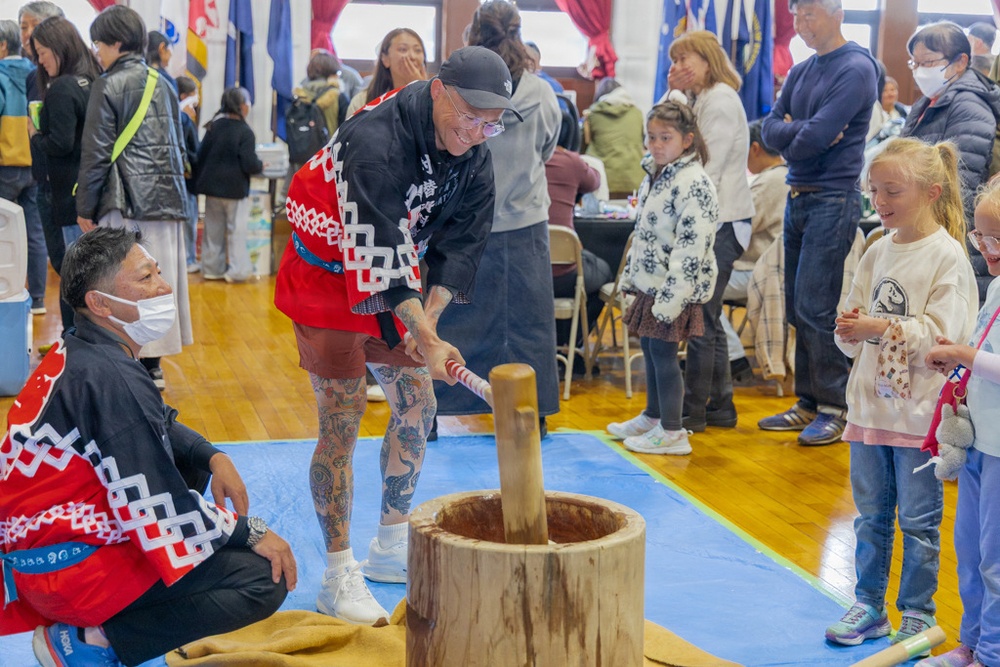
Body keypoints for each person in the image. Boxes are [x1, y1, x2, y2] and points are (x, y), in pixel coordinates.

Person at [274, 46, 512, 624]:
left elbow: (461, 246)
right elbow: (375, 246)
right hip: (327, 272)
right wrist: (424, 336)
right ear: (439, 90)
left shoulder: (476, 149)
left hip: (396, 268)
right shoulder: (375, 140)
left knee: (417, 403)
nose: (476, 134)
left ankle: (389, 541)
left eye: (490, 123)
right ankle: (338, 573)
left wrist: (428, 324)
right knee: (343, 416)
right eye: (470, 117)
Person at [0, 227, 296, 667]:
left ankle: (100, 622)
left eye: (157, 272)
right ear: (100, 303)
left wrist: (212, 455)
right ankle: (91, 641)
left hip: (33, 557)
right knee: (263, 578)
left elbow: (154, 422)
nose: (164, 286)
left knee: (189, 465)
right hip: (62, 572)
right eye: (145, 277)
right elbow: (157, 502)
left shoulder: (80, 349)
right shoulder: (112, 375)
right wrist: (249, 531)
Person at [827, 137, 977, 651]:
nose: (880, 201)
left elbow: (944, 339)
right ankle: (869, 605)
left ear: (931, 192)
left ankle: (917, 612)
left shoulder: (947, 256)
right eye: (874, 190)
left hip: (919, 415)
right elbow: (851, 322)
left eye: (892, 190)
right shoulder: (876, 248)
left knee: (918, 521)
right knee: (869, 516)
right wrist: (850, 329)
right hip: (870, 408)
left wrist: (878, 327)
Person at [434, 0, 562, 435]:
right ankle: (531, 416)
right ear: (519, 33)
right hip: (524, 223)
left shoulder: (460, 92)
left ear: (473, 35)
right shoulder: (542, 93)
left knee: (452, 320)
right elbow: (548, 148)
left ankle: (434, 411)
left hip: (464, 223)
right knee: (528, 329)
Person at [760, 0, 878, 446]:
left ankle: (835, 406)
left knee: (816, 305)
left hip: (833, 196)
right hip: (798, 194)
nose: (800, 23)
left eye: (809, 13)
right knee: (796, 306)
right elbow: (769, 129)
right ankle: (808, 401)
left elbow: (809, 138)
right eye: (795, 15)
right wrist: (801, 133)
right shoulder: (801, 70)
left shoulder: (856, 67)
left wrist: (797, 133)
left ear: (837, 13)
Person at [76, 6, 192, 392]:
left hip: (124, 201)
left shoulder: (107, 85)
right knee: (158, 283)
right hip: (167, 200)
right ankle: (154, 366)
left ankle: (129, 363)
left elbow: (96, 153)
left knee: (124, 284)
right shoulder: (166, 83)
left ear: (116, 43)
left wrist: (84, 207)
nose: (97, 52)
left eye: (98, 43)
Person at [606, 101, 718, 455]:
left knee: (665, 356)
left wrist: (671, 300)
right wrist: (631, 278)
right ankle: (653, 416)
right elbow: (643, 234)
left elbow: (691, 247)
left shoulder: (694, 183)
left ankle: (672, 431)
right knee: (651, 350)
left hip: (674, 289)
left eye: (665, 137)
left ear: (687, 140)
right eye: (651, 137)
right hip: (651, 283)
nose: (656, 145)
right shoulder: (657, 174)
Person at [919, 178, 1000, 667]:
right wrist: (958, 356)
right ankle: (971, 644)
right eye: (980, 237)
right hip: (979, 441)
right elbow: (983, 351)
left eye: (997, 239)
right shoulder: (997, 286)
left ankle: (992, 654)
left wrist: (966, 355)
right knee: (969, 551)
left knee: (996, 559)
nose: (986, 249)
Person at [665, 30, 756, 431]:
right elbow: (666, 134)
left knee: (700, 316)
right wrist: (674, 93)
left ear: (707, 60)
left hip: (721, 220)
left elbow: (706, 166)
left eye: (686, 58)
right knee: (708, 316)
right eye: (675, 60)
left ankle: (694, 410)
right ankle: (720, 406)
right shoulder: (700, 98)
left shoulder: (719, 99)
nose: (679, 66)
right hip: (715, 219)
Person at [901, 21, 1000, 302]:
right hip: (925, 223)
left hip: (954, 231)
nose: (920, 70)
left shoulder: (969, 104)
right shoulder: (928, 102)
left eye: (928, 62)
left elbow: (961, 183)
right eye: (915, 63)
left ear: (960, 62)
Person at [26, 16, 100, 334]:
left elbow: (60, 143)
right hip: (87, 188)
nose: (40, 61)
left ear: (59, 47)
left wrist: (34, 135)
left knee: (71, 273)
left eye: (42, 52)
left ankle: (73, 341)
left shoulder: (63, 87)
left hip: (65, 191)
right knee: (84, 272)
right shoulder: (92, 79)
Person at [722, 119, 788, 382]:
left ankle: (731, 357)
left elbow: (742, 224)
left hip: (760, 272)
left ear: (755, 148)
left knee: (699, 288)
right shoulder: (786, 175)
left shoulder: (772, 181)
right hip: (770, 269)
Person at [545, 102, 610, 360]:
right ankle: (574, 342)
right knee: (604, 272)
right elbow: (595, 181)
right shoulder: (572, 162)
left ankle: (555, 341)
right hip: (565, 274)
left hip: (529, 270)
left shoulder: (528, 160)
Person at [19, 1, 64, 318]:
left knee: (71, 261)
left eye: (32, 26)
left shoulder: (70, 76)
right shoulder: (30, 76)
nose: (26, 34)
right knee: (55, 255)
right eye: (23, 27)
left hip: (66, 182)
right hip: (39, 174)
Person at [0, 19, 47, 315]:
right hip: (34, 164)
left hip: (5, 166)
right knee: (34, 232)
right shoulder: (36, 72)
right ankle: (39, 298)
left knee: (2, 230)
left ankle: (5, 292)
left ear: (3, 45)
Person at [195, 87, 263, 283]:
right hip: (235, 190)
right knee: (236, 231)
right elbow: (249, 164)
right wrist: (260, 165)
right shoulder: (245, 131)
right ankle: (237, 271)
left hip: (212, 190)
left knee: (212, 231)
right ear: (242, 106)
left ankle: (211, 269)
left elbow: (201, 155)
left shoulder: (214, 126)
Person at [583, 77, 646, 197]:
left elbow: (582, 145)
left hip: (603, 182)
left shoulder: (592, 114)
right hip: (634, 182)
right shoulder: (637, 113)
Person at [345, 28, 428, 116]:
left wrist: (421, 90)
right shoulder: (362, 100)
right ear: (385, 59)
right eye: (403, 49)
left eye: (418, 50)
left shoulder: (434, 97)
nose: (412, 56)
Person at [177, 75, 200, 274]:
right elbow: (187, 148)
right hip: (185, 179)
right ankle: (188, 259)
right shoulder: (182, 119)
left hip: (179, 180)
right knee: (188, 221)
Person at [867, 75, 906, 144]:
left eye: (892, 90)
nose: (890, 94)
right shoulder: (873, 113)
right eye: (885, 90)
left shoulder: (903, 112)